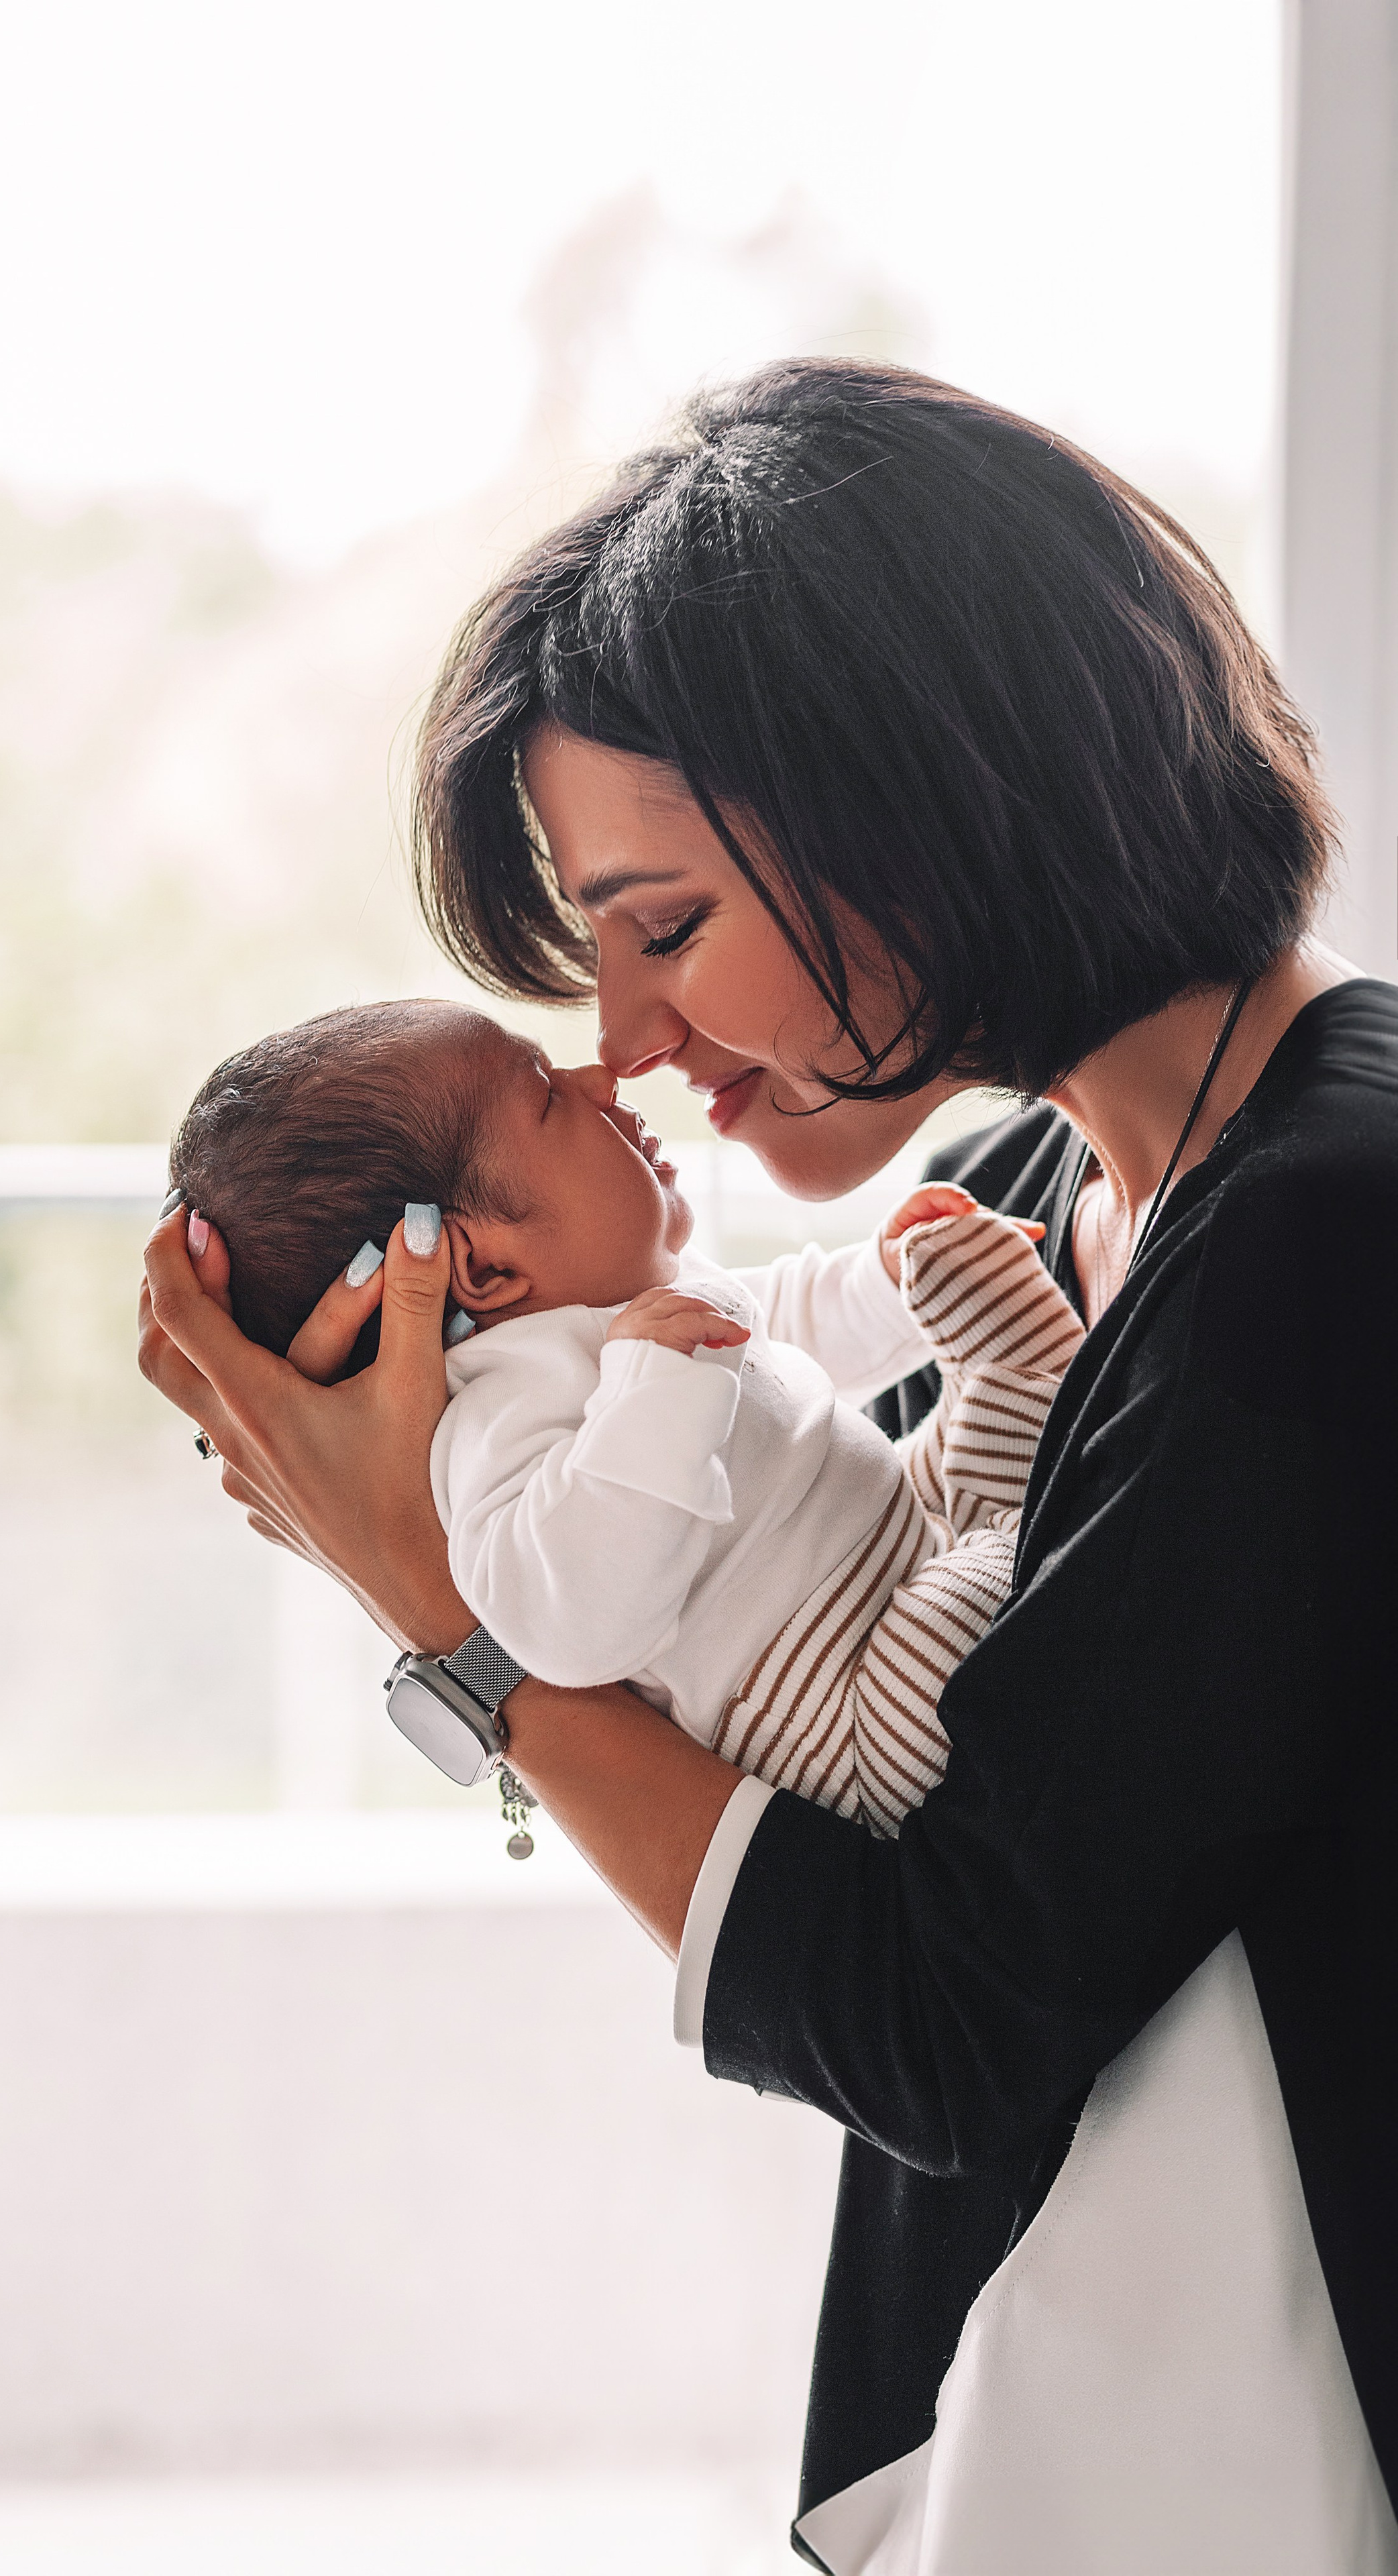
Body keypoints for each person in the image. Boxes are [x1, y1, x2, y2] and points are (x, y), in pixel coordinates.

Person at [140, 360, 1398, 2571]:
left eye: (664, 925)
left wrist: (444, 1619)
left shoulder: (1326, 1226)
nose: (623, 1043)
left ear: (922, 808)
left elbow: (941, 2007)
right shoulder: (1032, 1193)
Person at [165, 996, 1079, 1824]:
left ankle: (1016, 1497)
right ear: (484, 1269)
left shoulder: (645, 1311)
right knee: (1029, 1567)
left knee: (973, 1304)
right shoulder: (494, 1417)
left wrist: (889, 1278)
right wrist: (659, 1384)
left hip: (908, 1548)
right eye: (549, 1099)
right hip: (857, 1711)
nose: (599, 1076)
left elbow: (782, 1328)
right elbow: (568, 1623)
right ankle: (1040, 1532)